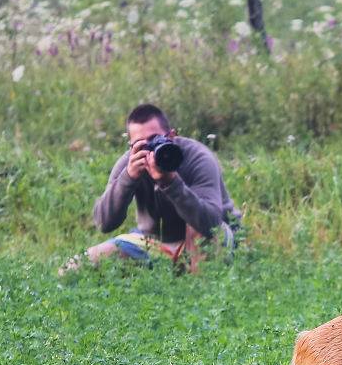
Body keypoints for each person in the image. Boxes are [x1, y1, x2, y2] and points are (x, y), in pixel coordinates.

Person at [60, 104, 239, 274]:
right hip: (154, 242)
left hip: (210, 237)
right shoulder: (129, 163)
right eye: (142, 145)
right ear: (131, 146)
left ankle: (195, 292)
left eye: (156, 140)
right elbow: (104, 223)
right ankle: (164, 275)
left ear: (171, 136)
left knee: (196, 229)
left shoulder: (197, 157)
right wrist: (128, 177)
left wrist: (170, 183)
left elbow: (211, 224)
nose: (152, 150)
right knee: (73, 268)